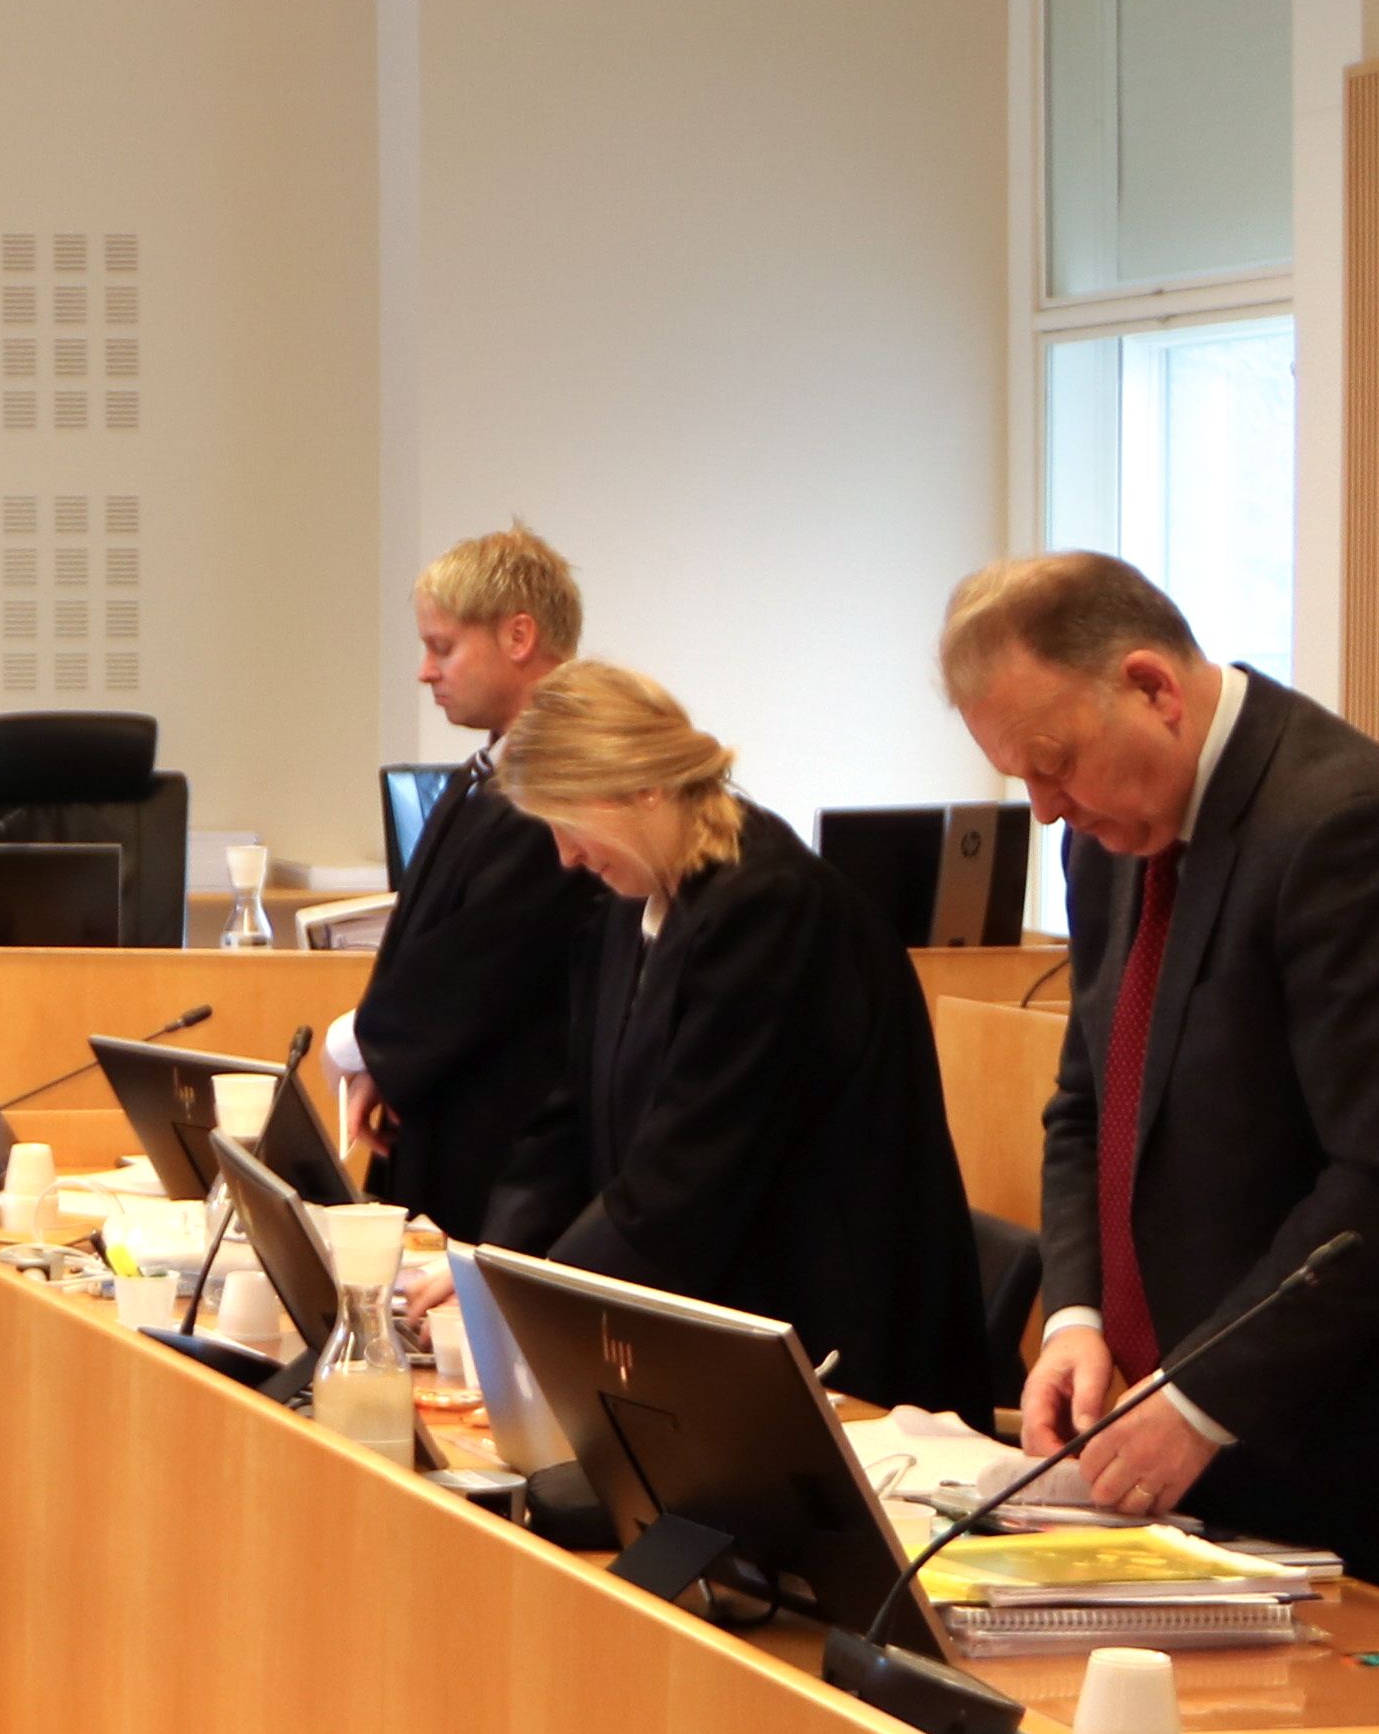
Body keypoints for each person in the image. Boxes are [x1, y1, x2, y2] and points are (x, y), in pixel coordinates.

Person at [940, 553, 1379, 1632]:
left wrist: (1199, 1398)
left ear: (1151, 686)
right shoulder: (1111, 839)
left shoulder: (1352, 830)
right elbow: (1089, 1104)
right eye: (1022, 780)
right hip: (1224, 1490)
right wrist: (1076, 1318)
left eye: (1054, 765)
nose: (1044, 811)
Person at [494, 661, 997, 1411]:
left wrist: (539, 1310)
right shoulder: (629, 905)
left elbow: (685, 1172)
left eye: (566, 822)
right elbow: (572, 1115)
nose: (564, 855)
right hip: (724, 1321)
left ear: (643, 788)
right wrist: (498, 1268)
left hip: (836, 1353)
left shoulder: (769, 907)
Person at [330, 526, 600, 1248]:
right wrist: (383, 1062)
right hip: (444, 1122)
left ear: (518, 636)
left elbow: (479, 959)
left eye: (442, 647)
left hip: (508, 1151)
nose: (425, 672)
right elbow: (417, 939)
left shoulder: (562, 789)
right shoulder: (482, 773)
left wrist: (360, 1045)